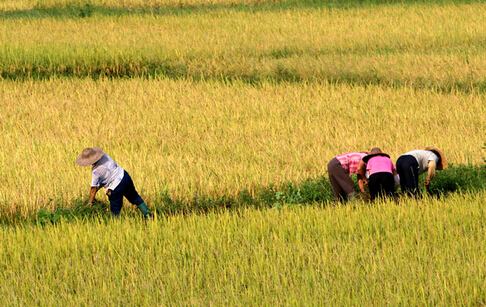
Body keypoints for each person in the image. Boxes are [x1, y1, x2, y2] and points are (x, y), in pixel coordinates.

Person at [76, 147, 151, 218]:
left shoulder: (95, 171)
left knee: (115, 210)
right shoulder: (104, 156)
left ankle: (116, 227)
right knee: (135, 197)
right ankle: (148, 216)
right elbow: (107, 175)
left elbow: (93, 189)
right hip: (124, 176)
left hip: (115, 187)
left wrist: (90, 202)